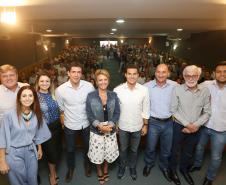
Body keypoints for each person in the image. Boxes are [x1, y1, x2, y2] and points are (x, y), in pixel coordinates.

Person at [0, 86, 51, 185]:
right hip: (14, 153)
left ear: (34, 98)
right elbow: (2, 138)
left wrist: (39, 148)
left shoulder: (36, 114)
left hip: (31, 152)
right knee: (18, 181)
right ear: (19, 98)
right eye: (24, 96)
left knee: (33, 179)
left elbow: (38, 132)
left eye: (30, 95)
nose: (27, 98)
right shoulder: (9, 115)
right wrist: (2, 161)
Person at [169, 65, 211, 185]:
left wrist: (195, 125)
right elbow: (173, 110)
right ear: (183, 76)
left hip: (196, 127)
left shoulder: (205, 91)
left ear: (198, 76)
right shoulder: (177, 90)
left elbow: (207, 112)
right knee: (175, 150)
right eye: (188, 75)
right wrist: (187, 125)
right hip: (179, 126)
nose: (191, 78)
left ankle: (183, 169)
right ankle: (172, 171)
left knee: (188, 151)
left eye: (194, 75)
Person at [55, 62, 95, 183]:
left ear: (81, 73)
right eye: (73, 72)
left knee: (88, 147)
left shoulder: (89, 86)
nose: (76, 75)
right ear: (68, 73)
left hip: (86, 123)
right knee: (70, 149)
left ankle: (88, 165)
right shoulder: (60, 90)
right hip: (70, 125)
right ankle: (71, 168)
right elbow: (61, 108)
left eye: (78, 72)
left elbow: (92, 104)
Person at [190, 61, 226, 185]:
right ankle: (197, 164)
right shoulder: (206, 84)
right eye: (219, 71)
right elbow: (192, 89)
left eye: (225, 72)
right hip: (204, 126)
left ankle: (210, 178)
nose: (222, 74)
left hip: (221, 130)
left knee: (216, 156)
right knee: (199, 148)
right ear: (214, 73)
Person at [114, 63, 150, 180]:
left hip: (138, 126)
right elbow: (115, 110)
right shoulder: (117, 90)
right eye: (129, 74)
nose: (132, 76)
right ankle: (122, 166)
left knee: (134, 150)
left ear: (138, 75)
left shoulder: (144, 90)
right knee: (123, 149)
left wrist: (145, 125)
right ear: (125, 75)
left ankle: (132, 167)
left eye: (134, 74)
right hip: (123, 126)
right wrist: (116, 124)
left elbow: (146, 109)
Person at [143, 64, 177, 182]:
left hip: (169, 123)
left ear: (168, 73)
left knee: (167, 149)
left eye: (164, 72)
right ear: (155, 72)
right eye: (158, 72)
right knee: (151, 147)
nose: (161, 74)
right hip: (153, 122)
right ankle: (149, 164)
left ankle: (164, 167)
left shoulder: (175, 86)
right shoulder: (146, 86)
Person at [86, 69, 120, 185]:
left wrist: (110, 125)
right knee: (98, 153)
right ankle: (99, 170)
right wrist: (99, 126)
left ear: (108, 81)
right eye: (100, 80)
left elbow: (117, 113)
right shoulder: (90, 96)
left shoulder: (114, 95)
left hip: (110, 129)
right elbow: (89, 114)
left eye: (105, 80)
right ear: (96, 82)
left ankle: (105, 169)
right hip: (96, 130)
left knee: (108, 152)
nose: (103, 82)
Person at [35, 72, 62, 185]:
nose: (44, 83)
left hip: (57, 126)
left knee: (57, 150)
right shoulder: (35, 96)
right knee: (51, 153)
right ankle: (52, 174)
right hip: (44, 128)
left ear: (50, 83)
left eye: (47, 81)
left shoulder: (53, 94)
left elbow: (59, 109)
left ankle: (53, 171)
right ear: (38, 83)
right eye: (42, 81)